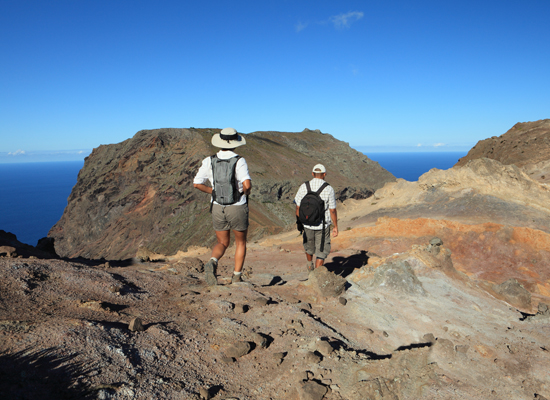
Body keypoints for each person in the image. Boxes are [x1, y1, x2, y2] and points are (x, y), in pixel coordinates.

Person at [193, 127, 252, 285]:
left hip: (217, 206)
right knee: (240, 242)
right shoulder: (239, 160)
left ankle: (213, 261)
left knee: (222, 242)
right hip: (237, 205)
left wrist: (214, 191)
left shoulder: (209, 160)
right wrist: (244, 193)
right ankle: (237, 276)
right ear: (235, 143)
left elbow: (197, 183)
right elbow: (247, 183)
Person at [294, 164, 338, 271]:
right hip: (322, 226)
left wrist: (300, 223)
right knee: (321, 251)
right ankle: (317, 276)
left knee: (309, 247)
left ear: (312, 174)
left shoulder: (304, 186)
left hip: (307, 224)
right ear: (324, 174)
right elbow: (332, 210)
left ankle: (310, 266)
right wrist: (335, 226)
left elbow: (298, 207)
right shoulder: (328, 189)